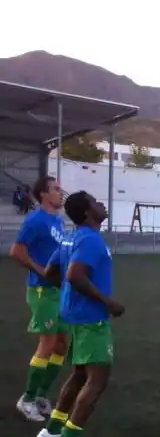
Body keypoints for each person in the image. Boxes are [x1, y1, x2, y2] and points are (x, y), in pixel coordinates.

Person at [41, 192, 124, 437]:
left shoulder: (70, 236)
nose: (102, 204)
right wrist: (107, 302)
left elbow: (51, 272)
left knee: (79, 374)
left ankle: (51, 429)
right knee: (97, 378)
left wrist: (68, 295)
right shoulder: (89, 239)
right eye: (96, 202)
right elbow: (73, 275)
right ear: (88, 213)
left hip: (72, 315)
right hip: (90, 319)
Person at [9, 176, 68, 421]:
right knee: (47, 343)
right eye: (56, 189)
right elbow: (17, 251)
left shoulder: (58, 221)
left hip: (59, 290)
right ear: (44, 195)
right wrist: (41, 270)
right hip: (42, 290)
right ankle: (28, 398)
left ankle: (42, 394)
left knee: (62, 344)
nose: (60, 192)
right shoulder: (36, 220)